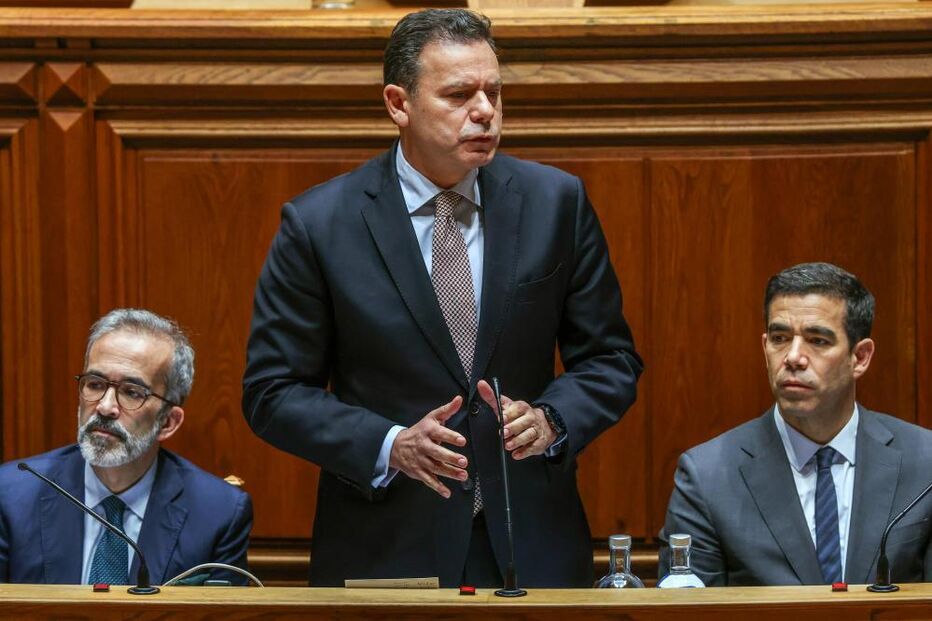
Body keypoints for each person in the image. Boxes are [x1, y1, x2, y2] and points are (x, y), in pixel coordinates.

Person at [243, 8, 642, 587]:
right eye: (459, 94)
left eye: (494, 93)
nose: (484, 111)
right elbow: (272, 392)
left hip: (530, 544)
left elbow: (612, 359)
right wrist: (389, 444)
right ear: (398, 104)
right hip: (387, 546)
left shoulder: (556, 203)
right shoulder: (319, 225)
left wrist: (554, 419)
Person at [659, 262, 931, 586]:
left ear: (860, 358)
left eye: (817, 341)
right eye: (780, 338)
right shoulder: (708, 477)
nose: (793, 357)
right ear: (765, 348)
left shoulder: (924, 464)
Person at [0, 309, 253, 585]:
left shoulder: (218, 513)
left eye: (132, 392)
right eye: (95, 385)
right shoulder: (11, 496)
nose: (105, 406)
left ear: (168, 422)